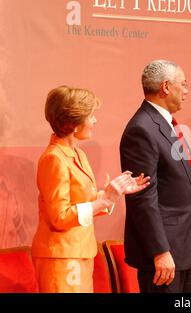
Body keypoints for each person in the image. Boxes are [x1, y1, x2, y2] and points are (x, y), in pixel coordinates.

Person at [31, 86, 149, 293]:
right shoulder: (54, 158)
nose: (95, 121)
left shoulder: (77, 154)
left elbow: (82, 201)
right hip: (62, 257)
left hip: (79, 252)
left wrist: (113, 194)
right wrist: (103, 201)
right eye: (91, 116)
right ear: (73, 123)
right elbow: (59, 216)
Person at [120, 60, 191, 293]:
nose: (186, 91)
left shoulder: (164, 124)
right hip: (163, 254)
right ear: (166, 86)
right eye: (183, 84)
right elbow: (142, 197)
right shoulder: (142, 129)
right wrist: (160, 251)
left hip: (181, 248)